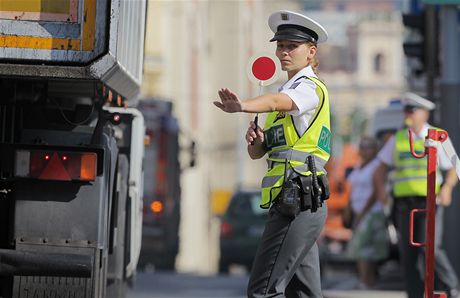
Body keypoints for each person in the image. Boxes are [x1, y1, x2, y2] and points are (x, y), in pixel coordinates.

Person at [214, 10, 331, 298]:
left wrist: (242, 106)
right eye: (280, 45)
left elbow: (276, 101)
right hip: (295, 201)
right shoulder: (289, 90)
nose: (283, 52)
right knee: (303, 293)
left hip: (298, 201)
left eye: (292, 46)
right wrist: (257, 141)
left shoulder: (308, 89)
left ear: (311, 52)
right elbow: (259, 154)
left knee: (263, 291)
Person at [373, 92, 459, 298]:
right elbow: (379, 171)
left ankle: (452, 288)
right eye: (406, 110)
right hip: (404, 205)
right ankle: (414, 294)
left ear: (425, 113)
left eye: (412, 110)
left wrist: (447, 188)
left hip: (429, 203)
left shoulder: (439, 136)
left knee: (430, 248)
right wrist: (383, 194)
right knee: (409, 253)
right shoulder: (398, 138)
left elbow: (455, 167)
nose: (408, 114)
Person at [346, 137, 389, 289]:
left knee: (363, 247)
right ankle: (366, 280)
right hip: (359, 211)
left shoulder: (377, 165)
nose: (364, 150)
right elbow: (353, 189)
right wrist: (349, 208)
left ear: (375, 149)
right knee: (365, 248)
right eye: (362, 146)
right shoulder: (359, 166)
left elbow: (375, 191)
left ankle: (366, 280)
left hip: (371, 211)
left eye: (368, 147)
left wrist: (363, 211)